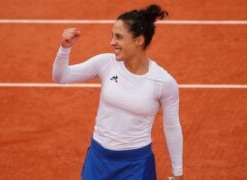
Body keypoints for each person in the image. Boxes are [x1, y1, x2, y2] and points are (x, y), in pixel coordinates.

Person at [52, 4, 183, 180]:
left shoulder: (163, 82)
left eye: (119, 37)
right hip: (98, 160)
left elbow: (172, 126)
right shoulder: (105, 63)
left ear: (138, 40)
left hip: (136, 165)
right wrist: (64, 49)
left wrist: (178, 172)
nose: (112, 42)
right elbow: (61, 77)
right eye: (112, 36)